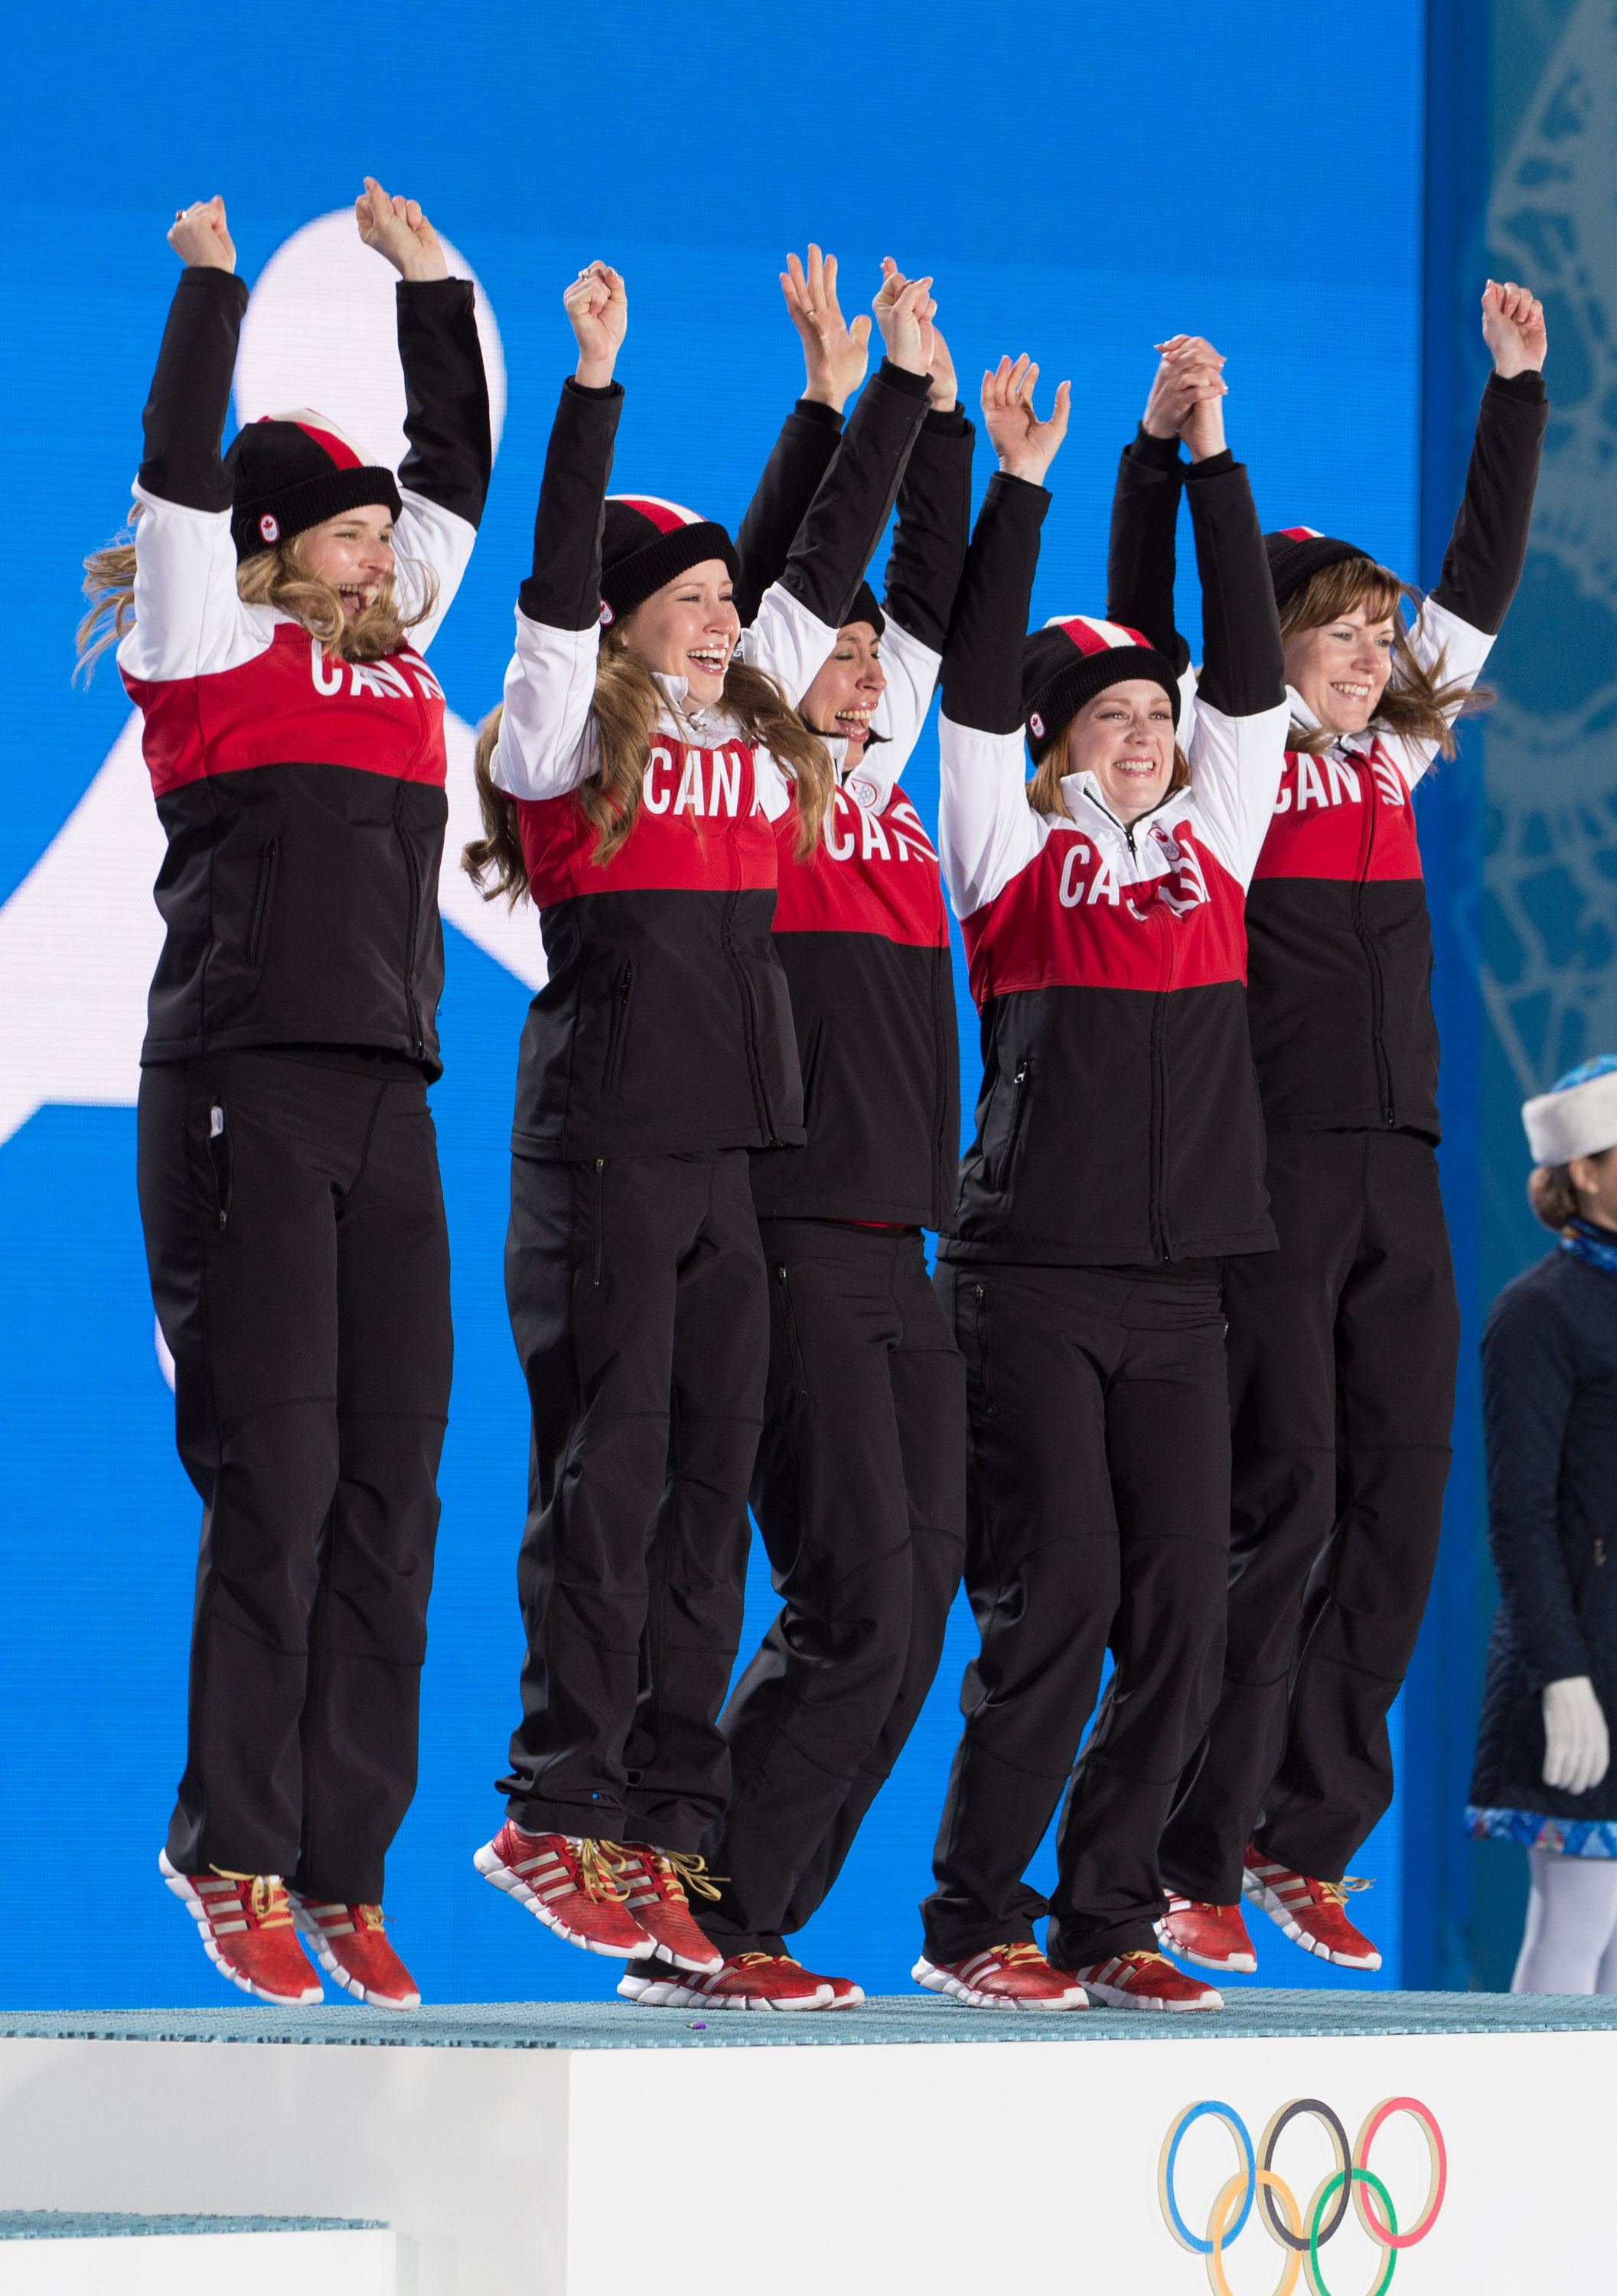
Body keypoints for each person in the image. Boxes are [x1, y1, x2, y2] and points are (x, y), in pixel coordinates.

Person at [463, 256, 937, 1982]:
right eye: (696, 597)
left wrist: (863, 395)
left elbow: (810, 570)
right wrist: (592, 384)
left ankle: (662, 1827)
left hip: (732, 1163)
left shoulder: (760, 742)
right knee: (608, 1476)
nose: (730, 617)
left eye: (731, 600)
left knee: (706, 1493)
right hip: (600, 1148)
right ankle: (551, 1802)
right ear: (630, 615)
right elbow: (552, 582)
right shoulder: (562, 737)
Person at [77, 184, 492, 2008]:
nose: (379, 555)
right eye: (345, 535)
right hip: (240, 1092)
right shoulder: (205, 651)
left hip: (390, 1104)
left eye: (377, 538)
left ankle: (342, 1865)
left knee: (396, 1488)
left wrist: (428, 289)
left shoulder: (403, 663)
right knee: (283, 1481)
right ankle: (228, 1845)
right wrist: (215, 289)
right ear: (275, 547)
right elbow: (176, 474)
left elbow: (460, 475)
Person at [1150, 283, 1550, 1977]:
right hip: (1281, 1160)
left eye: (1385, 635)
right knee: (1285, 1496)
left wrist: (1517, 396)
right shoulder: (1223, 756)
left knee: (1398, 1504)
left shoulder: (1391, 760)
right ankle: (1193, 1841)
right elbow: (1205, 627)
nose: (1380, 650)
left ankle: (1303, 1834)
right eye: (1346, 628)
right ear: (1278, 638)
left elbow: (1477, 588)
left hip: (1404, 1166)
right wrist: (1191, 460)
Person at [915, 337, 1289, 2011]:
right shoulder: (1002, 849)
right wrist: (1022, 486)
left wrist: (1210, 459)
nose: (1145, 742)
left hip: (1184, 1286)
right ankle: (972, 1919)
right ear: (1060, 745)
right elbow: (977, 691)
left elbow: (1256, 682)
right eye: (1114, 722)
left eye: (1159, 717)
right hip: (1033, 1279)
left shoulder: (1216, 844)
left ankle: (1107, 1916)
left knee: (1186, 1624)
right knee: (1056, 1602)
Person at [625, 251, 973, 2011]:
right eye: (821, 655)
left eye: (867, 665)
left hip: (902, 1255)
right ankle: (712, 1916)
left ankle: (747, 1918)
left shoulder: (895, 795)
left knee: (910, 1615)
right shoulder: (743, 788)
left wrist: (940, 405)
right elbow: (805, 584)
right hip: (788, 1243)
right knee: (853, 1596)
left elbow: (912, 588)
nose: (853, 671)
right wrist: (853, 405)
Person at [1466, 1058, 1617, 1992]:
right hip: (1580, 1660)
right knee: (1577, 1921)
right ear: (1586, 1172)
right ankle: (1531, 2132)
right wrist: (1561, 1675)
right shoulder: (1535, 1314)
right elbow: (1517, 1516)